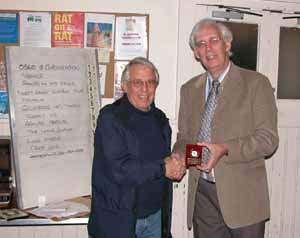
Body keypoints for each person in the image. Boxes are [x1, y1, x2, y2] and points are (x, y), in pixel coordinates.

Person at [172, 18, 279, 238]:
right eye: (200, 44)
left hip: (244, 198)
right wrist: (179, 156)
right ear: (195, 53)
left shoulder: (257, 84)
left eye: (213, 40)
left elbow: (268, 140)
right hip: (203, 196)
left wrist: (224, 149)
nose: (208, 48)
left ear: (227, 44)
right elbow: (185, 138)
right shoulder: (189, 89)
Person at [88, 57, 185, 238]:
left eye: (150, 82)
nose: (145, 89)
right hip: (118, 223)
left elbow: (163, 164)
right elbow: (120, 170)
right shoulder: (110, 118)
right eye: (137, 82)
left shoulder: (160, 120)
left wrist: (176, 162)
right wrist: (164, 167)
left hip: (155, 218)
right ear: (124, 86)